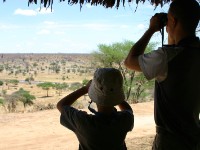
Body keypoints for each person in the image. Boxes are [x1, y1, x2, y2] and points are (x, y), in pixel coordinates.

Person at [124, 0, 200, 149]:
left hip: (170, 140)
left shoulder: (165, 57)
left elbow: (129, 61)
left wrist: (151, 29)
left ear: (172, 20)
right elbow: (181, 49)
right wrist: (173, 33)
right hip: (194, 136)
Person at [57, 68, 134, 150]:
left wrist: (85, 89)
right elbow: (128, 110)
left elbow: (61, 105)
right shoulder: (125, 120)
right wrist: (113, 94)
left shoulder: (83, 122)